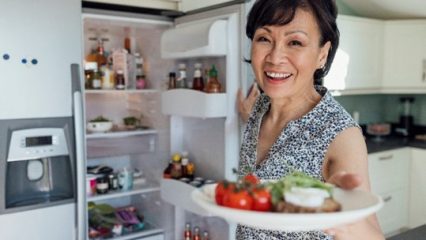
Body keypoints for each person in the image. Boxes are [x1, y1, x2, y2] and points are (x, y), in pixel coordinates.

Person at [236, 0, 384, 239]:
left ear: (321, 55)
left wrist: (344, 219)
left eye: (295, 42)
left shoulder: (340, 134)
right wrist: (244, 114)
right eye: (264, 38)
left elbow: (373, 234)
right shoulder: (260, 109)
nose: (275, 57)